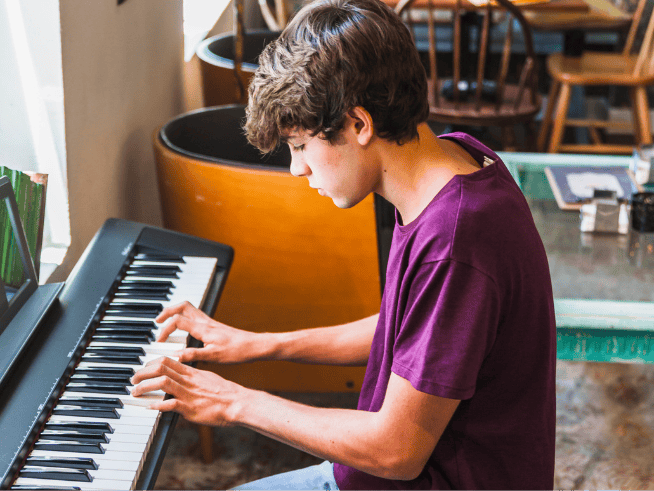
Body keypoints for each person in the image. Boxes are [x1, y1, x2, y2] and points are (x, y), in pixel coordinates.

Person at [131, 0, 557, 488]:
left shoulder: (456, 240)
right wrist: (260, 345)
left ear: (359, 124)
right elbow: (413, 329)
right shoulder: (454, 161)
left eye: (300, 145)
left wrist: (233, 401)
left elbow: (396, 451)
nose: (298, 169)